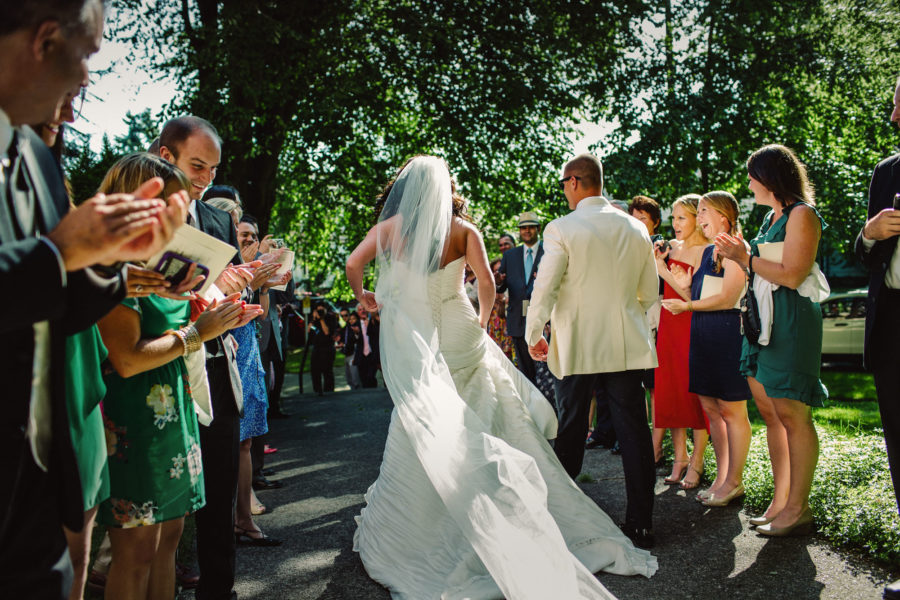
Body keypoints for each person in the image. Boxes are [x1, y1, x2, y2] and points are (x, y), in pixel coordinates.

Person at [346, 155, 657, 599]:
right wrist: (480, 320)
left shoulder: (394, 229)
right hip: (464, 328)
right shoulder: (464, 230)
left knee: (426, 414)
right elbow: (487, 284)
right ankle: (623, 516)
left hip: (418, 334)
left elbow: (353, 264)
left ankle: (432, 513)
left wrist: (367, 299)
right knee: (498, 409)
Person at [0, 3, 188, 596]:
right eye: (87, 55)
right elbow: (50, 263)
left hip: (41, 471)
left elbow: (62, 305)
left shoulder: (33, 151)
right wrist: (59, 254)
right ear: (46, 40)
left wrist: (113, 255)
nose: (86, 80)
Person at [93, 153, 254, 600]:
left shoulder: (170, 262)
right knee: (137, 551)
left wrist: (218, 318)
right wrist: (196, 333)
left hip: (177, 411)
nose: (183, 222)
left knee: (168, 544)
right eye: (174, 210)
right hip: (133, 419)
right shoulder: (112, 266)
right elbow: (125, 359)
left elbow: (189, 324)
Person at [527, 154, 659, 549]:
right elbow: (649, 292)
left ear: (573, 182)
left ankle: (563, 522)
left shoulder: (561, 228)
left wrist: (535, 330)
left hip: (579, 343)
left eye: (563, 184)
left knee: (569, 430)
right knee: (634, 433)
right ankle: (641, 524)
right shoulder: (636, 227)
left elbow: (546, 285)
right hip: (624, 344)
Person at [154, 115, 256, 600]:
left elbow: (229, 283)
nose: (206, 179)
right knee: (168, 505)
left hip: (217, 362)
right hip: (166, 363)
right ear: (165, 155)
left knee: (218, 491)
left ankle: (220, 591)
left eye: (214, 170)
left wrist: (245, 289)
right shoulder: (144, 212)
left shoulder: (217, 221)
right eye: (198, 165)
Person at [717, 145, 829, 536]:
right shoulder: (771, 217)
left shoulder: (803, 215)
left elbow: (794, 274)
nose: (748, 184)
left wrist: (743, 257)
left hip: (792, 322)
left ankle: (799, 508)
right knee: (775, 414)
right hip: (764, 319)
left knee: (793, 413)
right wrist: (741, 255)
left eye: (752, 177)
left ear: (769, 178)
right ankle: (782, 501)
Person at [662, 192, 751, 508]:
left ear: (724, 217)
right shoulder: (709, 251)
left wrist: (686, 304)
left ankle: (734, 481)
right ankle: (722, 477)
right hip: (702, 335)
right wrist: (686, 286)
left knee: (732, 411)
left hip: (727, 336)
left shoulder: (736, 249)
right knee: (712, 411)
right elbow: (701, 293)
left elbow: (728, 297)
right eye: (697, 212)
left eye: (703, 211)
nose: (698, 218)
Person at [856, 73, 900, 600]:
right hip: (893, 329)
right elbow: (862, 255)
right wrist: (869, 234)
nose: (892, 116)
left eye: (898, 105)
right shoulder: (886, 171)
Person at [652, 194, 710, 489]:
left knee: (693, 394)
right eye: (672, 217)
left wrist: (663, 272)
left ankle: (698, 462)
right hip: (669, 325)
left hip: (691, 325)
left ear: (698, 219)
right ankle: (680, 457)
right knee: (672, 391)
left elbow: (697, 299)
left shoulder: (706, 251)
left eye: (681, 218)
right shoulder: (671, 247)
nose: (675, 224)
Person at [497, 211, 545, 383]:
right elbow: (501, 286)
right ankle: (532, 407)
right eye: (523, 228)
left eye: (531, 227)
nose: (527, 231)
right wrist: (497, 281)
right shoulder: (510, 256)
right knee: (526, 372)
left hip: (544, 320)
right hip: (518, 319)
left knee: (547, 370)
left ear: (538, 229)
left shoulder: (549, 250)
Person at [309, 303, 338, 395]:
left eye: (322, 310)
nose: (320, 312)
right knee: (315, 370)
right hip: (317, 348)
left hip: (328, 348)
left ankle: (329, 391)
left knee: (327, 370)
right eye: (319, 310)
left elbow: (326, 332)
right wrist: (314, 318)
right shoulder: (314, 319)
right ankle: (317, 390)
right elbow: (308, 330)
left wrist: (321, 319)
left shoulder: (330, 318)